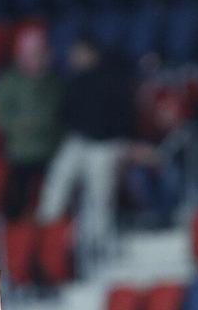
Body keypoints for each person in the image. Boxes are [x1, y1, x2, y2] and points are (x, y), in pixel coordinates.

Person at [37, 39, 136, 264]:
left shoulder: (114, 79)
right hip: (79, 141)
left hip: (105, 144)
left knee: (99, 196)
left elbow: (123, 116)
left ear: (92, 54)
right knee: (57, 180)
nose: (74, 58)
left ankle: (98, 245)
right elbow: (65, 115)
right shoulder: (74, 82)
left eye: (79, 53)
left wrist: (119, 143)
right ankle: (44, 234)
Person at [0, 25, 60, 219]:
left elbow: (60, 113)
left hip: (50, 150)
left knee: (53, 197)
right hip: (20, 151)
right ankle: (11, 232)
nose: (36, 56)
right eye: (31, 52)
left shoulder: (54, 81)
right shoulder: (8, 81)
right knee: (15, 198)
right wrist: (19, 125)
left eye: (40, 51)